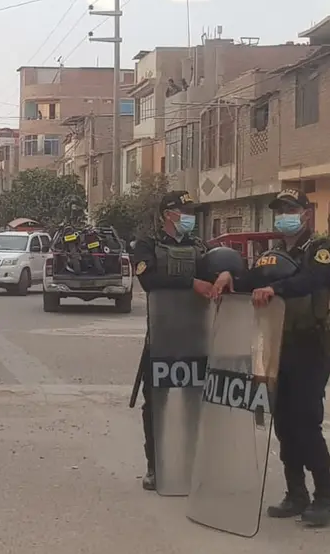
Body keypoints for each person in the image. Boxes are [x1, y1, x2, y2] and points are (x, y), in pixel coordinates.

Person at [211, 188, 330, 527]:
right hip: (275, 346)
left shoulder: (320, 250)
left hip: (309, 347)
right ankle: (295, 493)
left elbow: (311, 280)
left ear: (307, 214)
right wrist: (231, 278)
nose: (285, 215)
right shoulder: (273, 254)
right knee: (282, 421)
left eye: (291, 209)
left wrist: (274, 289)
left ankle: (326, 496)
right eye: (280, 210)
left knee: (306, 421)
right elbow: (253, 279)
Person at [129, 190, 211, 491]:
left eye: (190, 211)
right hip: (162, 338)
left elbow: (216, 277)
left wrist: (227, 274)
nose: (188, 216)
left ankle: (190, 463)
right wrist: (191, 283)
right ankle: (156, 466)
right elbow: (149, 280)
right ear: (167, 214)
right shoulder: (147, 245)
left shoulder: (200, 248)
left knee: (194, 404)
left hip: (195, 336)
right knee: (156, 406)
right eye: (183, 210)